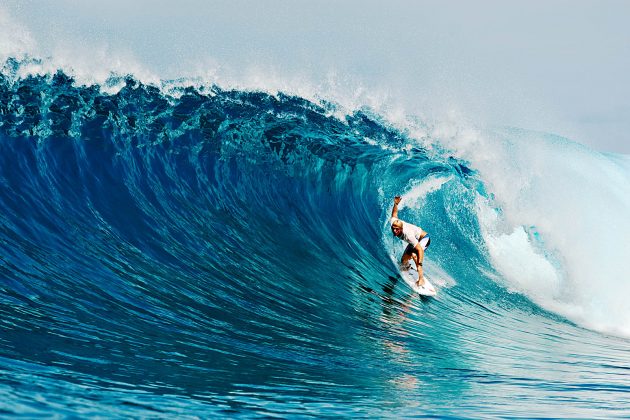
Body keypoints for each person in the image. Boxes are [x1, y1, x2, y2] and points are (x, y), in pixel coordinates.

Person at [390, 196, 431, 288]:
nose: (394, 231)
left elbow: (420, 249)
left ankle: (421, 279)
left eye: (397, 230)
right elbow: (394, 214)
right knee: (403, 261)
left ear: (401, 229)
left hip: (424, 239)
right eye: (393, 229)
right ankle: (409, 267)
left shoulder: (408, 235)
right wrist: (396, 204)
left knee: (414, 255)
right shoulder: (393, 222)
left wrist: (419, 264)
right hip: (415, 240)